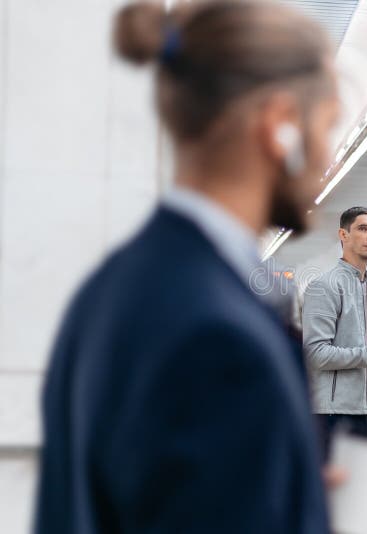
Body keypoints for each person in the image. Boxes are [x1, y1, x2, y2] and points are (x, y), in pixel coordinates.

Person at [34, 2, 340, 533]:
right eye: (326, 126)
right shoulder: (220, 339)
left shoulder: (109, 289)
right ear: (280, 127)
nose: (327, 157)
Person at [303, 207, 367, 457]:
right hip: (333, 412)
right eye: (363, 229)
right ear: (344, 234)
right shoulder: (324, 286)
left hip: (364, 409)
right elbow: (316, 354)